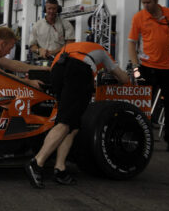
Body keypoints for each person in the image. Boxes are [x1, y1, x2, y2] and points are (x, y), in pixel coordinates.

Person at [25, 42, 130, 188]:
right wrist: (127, 78)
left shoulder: (76, 46)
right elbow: (123, 78)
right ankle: (37, 163)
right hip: (79, 70)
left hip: (56, 70)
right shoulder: (103, 52)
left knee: (72, 125)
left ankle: (60, 169)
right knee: (65, 123)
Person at [128, 0, 169, 153]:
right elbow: (132, 42)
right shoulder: (139, 17)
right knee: (143, 105)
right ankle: (138, 140)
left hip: (168, 67)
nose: (146, 5)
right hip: (147, 67)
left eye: (148, 2)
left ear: (156, 0)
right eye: (143, 2)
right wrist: (135, 66)